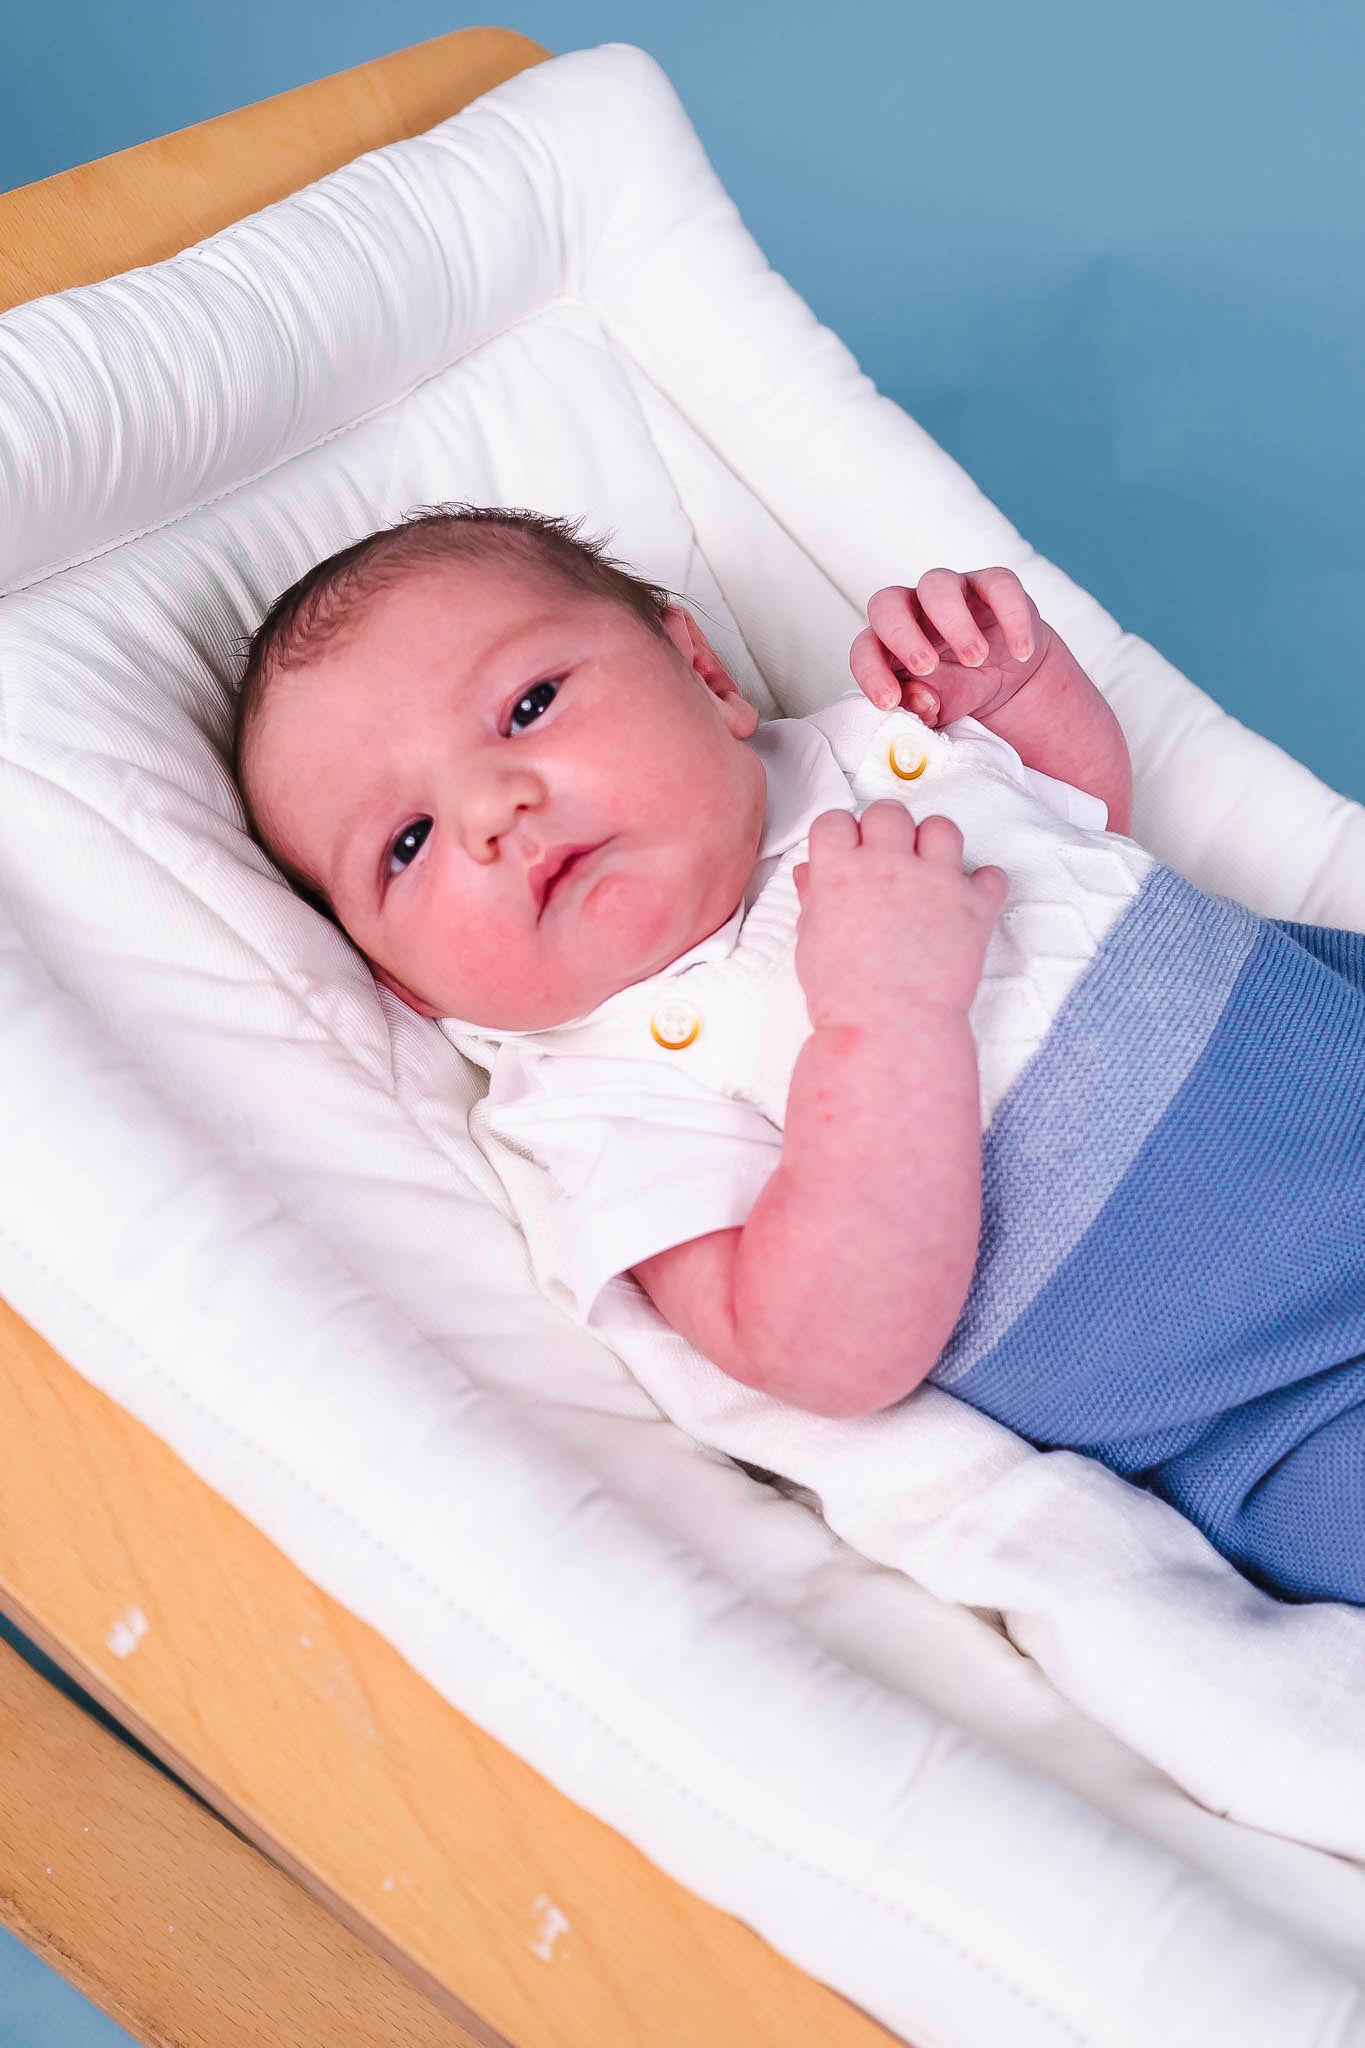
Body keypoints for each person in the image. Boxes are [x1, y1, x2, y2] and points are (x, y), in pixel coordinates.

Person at [234, 503, 1365, 1606]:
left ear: (704, 672)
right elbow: (827, 1349)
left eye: (528, 706)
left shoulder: (867, 750)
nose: (492, 807)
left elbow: (1084, 823)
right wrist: (885, 1018)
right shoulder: (603, 1105)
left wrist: (1014, 686)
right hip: (1278, 1402)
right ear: (406, 985)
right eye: (408, 843)